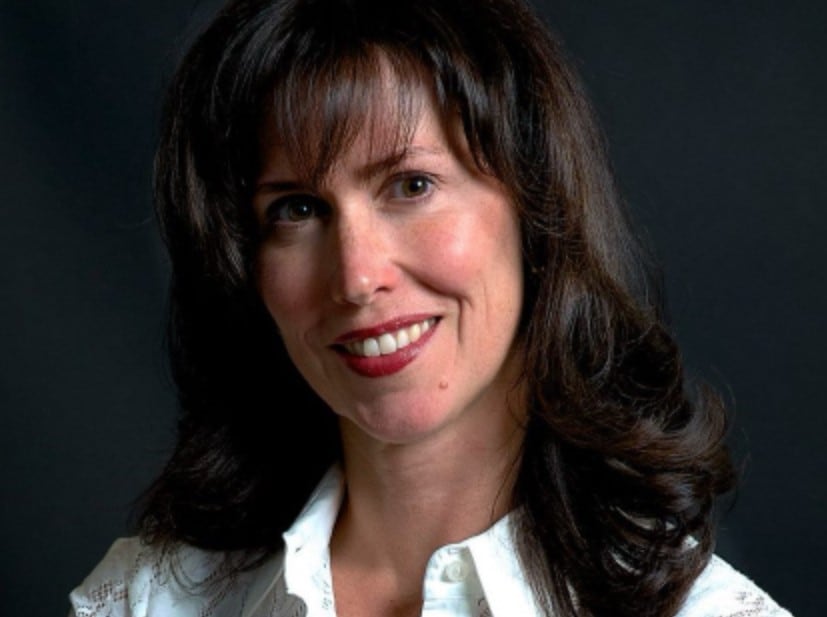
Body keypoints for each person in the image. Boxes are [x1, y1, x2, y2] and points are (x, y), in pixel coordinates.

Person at [68, 0, 793, 616]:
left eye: (410, 185)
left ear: (534, 206)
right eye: (296, 208)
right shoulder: (149, 598)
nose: (356, 276)